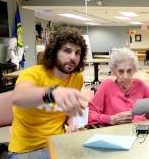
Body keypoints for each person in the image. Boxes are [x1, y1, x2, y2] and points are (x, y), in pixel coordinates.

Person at [8, 27, 90, 159]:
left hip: (58, 143)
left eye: (78, 53)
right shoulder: (33, 73)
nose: (73, 57)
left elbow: (67, 113)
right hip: (27, 150)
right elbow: (18, 97)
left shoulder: (77, 78)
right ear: (54, 52)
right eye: (67, 51)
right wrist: (52, 93)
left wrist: (71, 124)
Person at [88, 48, 149, 126]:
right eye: (120, 71)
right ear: (114, 71)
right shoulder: (107, 86)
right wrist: (110, 119)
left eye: (129, 71)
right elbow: (89, 114)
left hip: (139, 132)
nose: (126, 76)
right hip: (114, 134)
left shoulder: (139, 84)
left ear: (134, 70)